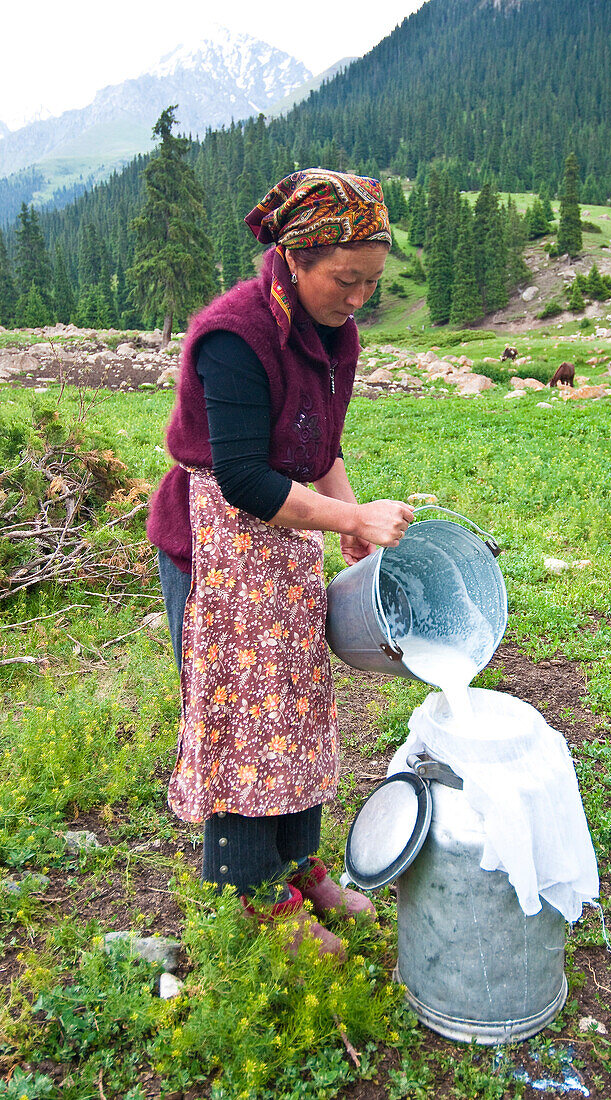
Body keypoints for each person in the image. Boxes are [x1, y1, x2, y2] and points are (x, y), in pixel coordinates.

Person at [147, 169, 414, 959]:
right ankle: (254, 891)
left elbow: (317, 447)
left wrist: (348, 521)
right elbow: (244, 479)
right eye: (345, 279)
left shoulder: (336, 333)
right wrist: (345, 516)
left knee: (295, 702)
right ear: (297, 258)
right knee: (243, 718)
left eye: (371, 282)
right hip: (218, 547)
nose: (358, 297)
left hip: (284, 539)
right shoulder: (233, 334)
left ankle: (299, 864)